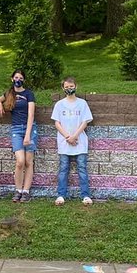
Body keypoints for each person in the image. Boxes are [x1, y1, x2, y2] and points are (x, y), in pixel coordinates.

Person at [50, 75, 93, 206]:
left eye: (71, 86)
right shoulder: (59, 104)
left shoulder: (82, 103)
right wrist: (68, 137)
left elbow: (85, 122)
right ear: (63, 88)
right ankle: (61, 195)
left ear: (76, 86)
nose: (69, 88)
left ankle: (85, 195)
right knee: (63, 169)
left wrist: (75, 136)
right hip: (64, 142)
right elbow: (57, 123)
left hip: (80, 141)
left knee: (82, 168)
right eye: (67, 87)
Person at [0, 69, 37, 202]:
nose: (18, 80)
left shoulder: (29, 94)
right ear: (12, 79)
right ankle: (18, 190)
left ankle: (26, 191)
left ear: (24, 80)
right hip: (16, 129)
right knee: (20, 162)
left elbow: (31, 114)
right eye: (16, 77)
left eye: (21, 78)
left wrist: (28, 135)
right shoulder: (9, 93)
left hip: (30, 128)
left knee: (28, 162)